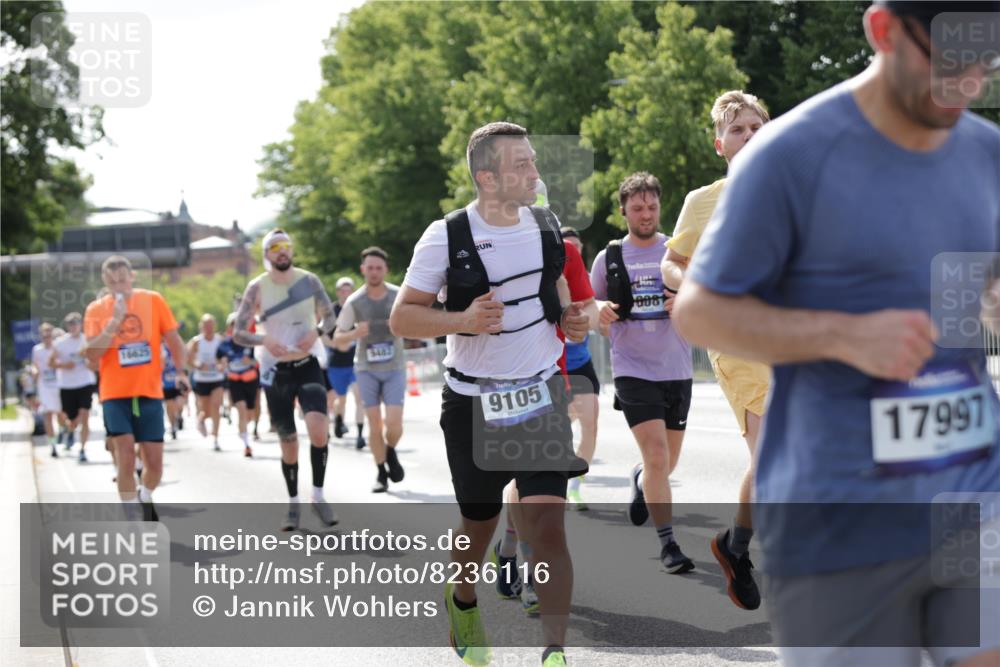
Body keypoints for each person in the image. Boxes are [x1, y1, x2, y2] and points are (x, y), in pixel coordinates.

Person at [673, 2, 1000, 665]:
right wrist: (841, 334)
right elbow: (699, 309)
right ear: (882, 30)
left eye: (985, 67)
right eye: (949, 64)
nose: (967, 87)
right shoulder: (789, 155)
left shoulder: (986, 151)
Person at [390, 121, 590, 667]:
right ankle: (462, 598)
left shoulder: (546, 225)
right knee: (477, 525)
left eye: (533, 160)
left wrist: (575, 320)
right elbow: (401, 316)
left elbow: (564, 296)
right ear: (487, 177)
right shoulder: (446, 235)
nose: (535, 172)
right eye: (521, 164)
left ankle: (555, 652)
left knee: (548, 523)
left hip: (539, 391)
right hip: (473, 401)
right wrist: (463, 319)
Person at [660, 89, 771, 610]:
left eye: (756, 127)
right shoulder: (702, 201)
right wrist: (692, 282)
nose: (748, 135)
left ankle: (736, 544)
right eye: (737, 130)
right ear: (719, 145)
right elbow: (671, 263)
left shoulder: (795, 189)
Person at [591, 172, 695, 574]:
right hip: (632, 368)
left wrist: (683, 301)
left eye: (652, 206)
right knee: (656, 454)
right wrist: (597, 310)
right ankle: (668, 543)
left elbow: (704, 296)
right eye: (637, 207)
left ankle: (639, 481)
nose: (646, 213)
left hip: (677, 366)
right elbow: (590, 303)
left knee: (664, 463)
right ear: (624, 211)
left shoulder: (678, 251)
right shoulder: (610, 257)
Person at [233, 228, 339, 531]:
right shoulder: (257, 287)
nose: (282, 251)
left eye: (286, 246)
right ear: (267, 254)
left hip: (307, 364)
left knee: (319, 430)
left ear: (291, 251)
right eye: (275, 247)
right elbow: (239, 332)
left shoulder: (308, 280)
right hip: (275, 370)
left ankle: (317, 496)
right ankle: (293, 502)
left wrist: (316, 331)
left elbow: (330, 317)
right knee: (288, 443)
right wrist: (263, 340)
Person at [83, 255, 188, 521]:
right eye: (112, 281)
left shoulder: (152, 300)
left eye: (122, 279)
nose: (118, 285)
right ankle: (132, 518)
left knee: (155, 464)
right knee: (126, 455)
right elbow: (92, 356)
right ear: (105, 282)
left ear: (132, 277)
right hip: (114, 395)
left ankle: (145, 495)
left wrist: (181, 372)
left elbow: (174, 339)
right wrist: (113, 322)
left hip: (149, 391)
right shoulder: (96, 310)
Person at [334, 248, 406, 493]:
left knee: (394, 423)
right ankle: (380, 473)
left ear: (385, 270)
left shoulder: (398, 295)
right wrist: (354, 333)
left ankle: (391, 450)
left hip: (394, 366)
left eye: (379, 267)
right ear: (363, 270)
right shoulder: (355, 301)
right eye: (370, 267)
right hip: (366, 368)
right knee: (375, 423)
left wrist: (400, 326)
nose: (374, 272)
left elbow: (415, 324)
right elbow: (337, 338)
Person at [325, 276, 366, 450]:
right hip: (336, 363)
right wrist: (336, 344)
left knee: (359, 399)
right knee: (340, 400)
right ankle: (338, 421)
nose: (346, 293)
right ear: (337, 292)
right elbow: (320, 334)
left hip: (356, 362)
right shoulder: (331, 311)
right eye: (342, 290)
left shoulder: (358, 308)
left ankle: (360, 435)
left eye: (349, 290)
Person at [50, 312, 98, 462]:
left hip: (85, 383)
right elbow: (51, 363)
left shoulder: (87, 340)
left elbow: (96, 365)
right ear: (67, 326)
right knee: (71, 420)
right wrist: (65, 365)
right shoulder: (60, 343)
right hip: (67, 385)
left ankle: (82, 449)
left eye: (76, 323)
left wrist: (89, 362)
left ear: (80, 325)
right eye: (70, 324)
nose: (73, 327)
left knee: (85, 416)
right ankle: (68, 430)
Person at [218, 312, 259, 458]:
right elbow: (219, 361)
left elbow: (259, 361)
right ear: (229, 327)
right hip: (235, 380)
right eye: (233, 325)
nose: (236, 328)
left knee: (250, 415)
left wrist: (251, 362)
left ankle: (244, 431)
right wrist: (221, 365)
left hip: (251, 380)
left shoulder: (252, 341)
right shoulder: (224, 344)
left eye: (239, 324)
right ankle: (246, 445)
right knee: (241, 410)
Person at [188, 313, 225, 451]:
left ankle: (215, 437)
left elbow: (225, 357)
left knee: (216, 407)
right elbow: (189, 359)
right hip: (202, 379)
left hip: (216, 379)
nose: (208, 328)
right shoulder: (196, 342)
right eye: (205, 325)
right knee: (207, 411)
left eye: (211, 325)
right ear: (201, 327)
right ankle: (201, 419)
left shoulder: (219, 340)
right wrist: (198, 365)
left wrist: (222, 365)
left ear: (214, 326)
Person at [32, 322, 63, 457]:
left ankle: (63, 432)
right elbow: (34, 365)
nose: (47, 339)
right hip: (44, 386)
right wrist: (34, 372)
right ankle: (53, 445)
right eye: (44, 336)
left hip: (59, 385)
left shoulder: (58, 348)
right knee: (47, 415)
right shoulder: (37, 350)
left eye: (49, 336)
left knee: (61, 415)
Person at [160, 342, 186, 440]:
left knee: (179, 404)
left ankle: (179, 416)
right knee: (170, 405)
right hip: (165, 383)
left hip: (177, 381)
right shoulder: (158, 348)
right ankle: (173, 426)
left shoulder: (175, 347)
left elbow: (183, 360)